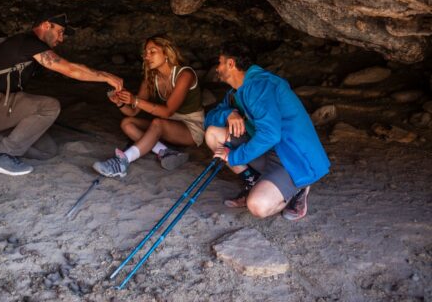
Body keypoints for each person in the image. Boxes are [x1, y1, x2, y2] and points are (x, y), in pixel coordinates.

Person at [0, 13, 123, 176]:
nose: (61, 39)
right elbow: (70, 69)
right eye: (60, 31)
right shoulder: (27, 42)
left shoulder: (30, 47)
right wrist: (105, 76)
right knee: (49, 106)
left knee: (46, 151)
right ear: (46, 25)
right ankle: (2, 156)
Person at [205, 42, 330, 221]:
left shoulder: (259, 86)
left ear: (231, 64)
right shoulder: (236, 91)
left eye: (220, 62)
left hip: (290, 157)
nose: (217, 68)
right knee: (212, 133)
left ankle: (299, 187)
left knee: (257, 206)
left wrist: (233, 157)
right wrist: (228, 114)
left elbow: (271, 134)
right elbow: (209, 118)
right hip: (266, 149)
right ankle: (253, 181)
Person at [93, 35, 204, 177]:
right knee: (127, 123)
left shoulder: (185, 74)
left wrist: (135, 100)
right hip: (168, 124)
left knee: (158, 123)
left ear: (166, 53)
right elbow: (133, 112)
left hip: (190, 128)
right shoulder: (150, 78)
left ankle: (123, 161)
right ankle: (165, 152)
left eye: (153, 52)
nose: (147, 56)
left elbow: (167, 112)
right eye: (145, 53)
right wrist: (120, 103)